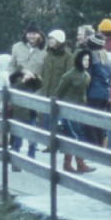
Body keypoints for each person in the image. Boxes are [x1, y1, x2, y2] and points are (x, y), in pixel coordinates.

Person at [55, 49, 95, 174]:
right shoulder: (69, 75)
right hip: (68, 109)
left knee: (77, 135)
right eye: (84, 59)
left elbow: (84, 93)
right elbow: (59, 93)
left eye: (88, 59)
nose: (86, 62)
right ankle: (76, 163)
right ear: (78, 60)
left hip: (79, 109)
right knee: (74, 136)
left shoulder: (87, 75)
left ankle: (75, 164)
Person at [34, 30, 73, 159]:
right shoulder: (48, 56)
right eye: (49, 38)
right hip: (46, 92)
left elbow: (68, 76)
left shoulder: (68, 57)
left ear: (60, 41)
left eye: (53, 39)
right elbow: (44, 74)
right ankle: (50, 145)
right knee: (46, 119)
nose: (50, 41)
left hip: (59, 93)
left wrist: (63, 93)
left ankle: (60, 145)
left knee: (57, 121)